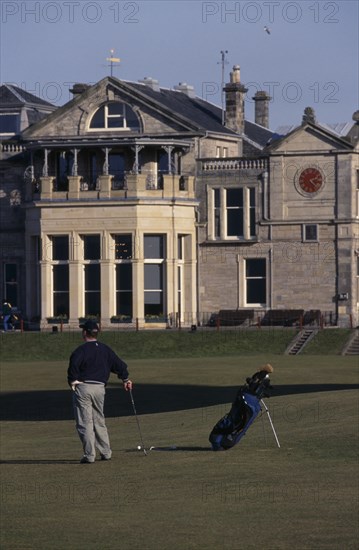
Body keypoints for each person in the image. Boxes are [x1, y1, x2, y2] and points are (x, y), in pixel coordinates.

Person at [67, 319, 132, 464]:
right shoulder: (105, 349)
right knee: (99, 420)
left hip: (84, 387)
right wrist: (125, 379)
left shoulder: (81, 350)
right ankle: (106, 452)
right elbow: (120, 365)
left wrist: (73, 381)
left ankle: (90, 455)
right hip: (100, 388)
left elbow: (73, 368)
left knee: (85, 422)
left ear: (85, 333)